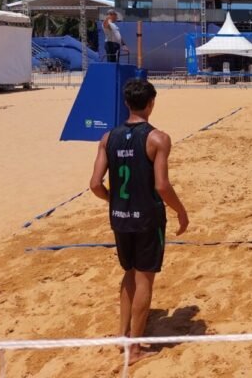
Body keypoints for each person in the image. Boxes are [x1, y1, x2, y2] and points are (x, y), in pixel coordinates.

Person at [89, 78, 189, 364]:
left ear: (126, 103)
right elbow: (162, 186)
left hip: (119, 217)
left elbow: (95, 184)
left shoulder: (108, 138)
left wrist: (115, 201)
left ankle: (123, 335)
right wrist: (180, 211)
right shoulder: (158, 138)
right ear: (151, 104)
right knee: (145, 277)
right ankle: (134, 349)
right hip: (147, 217)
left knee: (129, 273)